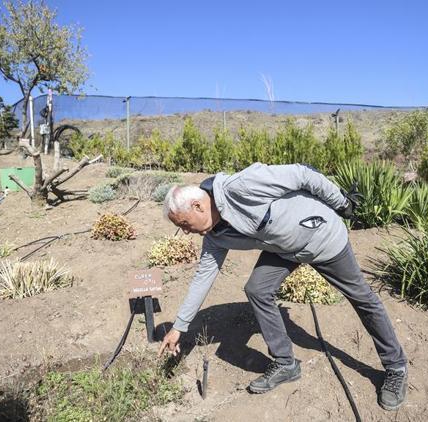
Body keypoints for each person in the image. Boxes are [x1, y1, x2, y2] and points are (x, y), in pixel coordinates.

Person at [157, 162, 408, 410]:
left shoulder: (241, 186)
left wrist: (341, 203)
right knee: (257, 289)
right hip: (285, 250)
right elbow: (204, 276)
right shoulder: (214, 236)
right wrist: (179, 326)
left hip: (323, 237)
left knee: (362, 298)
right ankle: (286, 363)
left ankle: (396, 367)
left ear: (198, 206)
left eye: (184, 225)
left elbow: (301, 174)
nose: (186, 233)